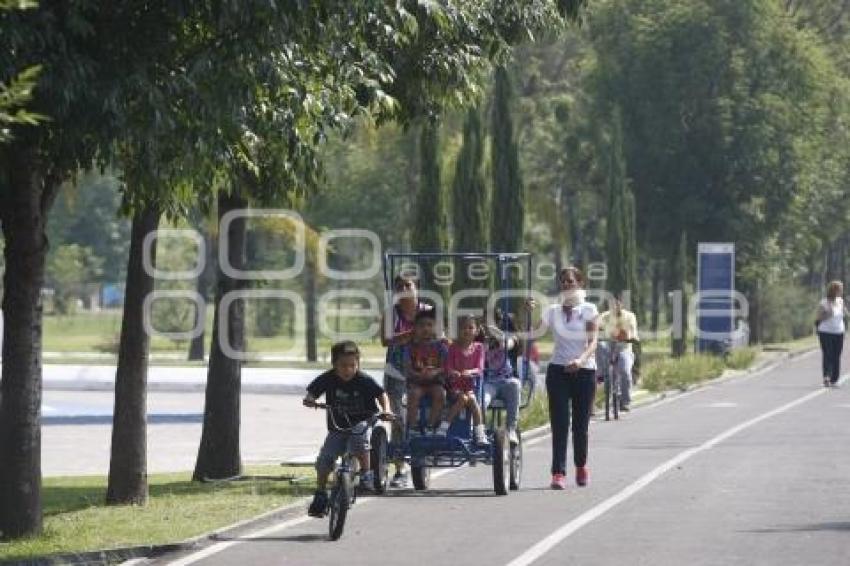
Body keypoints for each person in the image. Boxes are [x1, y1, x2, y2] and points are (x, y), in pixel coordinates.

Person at [525, 266, 598, 490]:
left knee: (580, 425)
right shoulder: (553, 311)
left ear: (580, 284)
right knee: (559, 423)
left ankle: (581, 465)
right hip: (558, 371)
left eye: (571, 281)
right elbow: (533, 335)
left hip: (584, 371)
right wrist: (528, 314)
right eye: (563, 282)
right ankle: (558, 472)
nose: (567, 285)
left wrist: (581, 361)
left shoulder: (589, 308)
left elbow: (593, 342)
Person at [304, 341, 393, 517]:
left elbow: (381, 394)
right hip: (337, 427)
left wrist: (386, 410)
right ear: (334, 364)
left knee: (359, 439)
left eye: (353, 365)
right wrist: (310, 399)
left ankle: (366, 474)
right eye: (343, 366)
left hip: (363, 420)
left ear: (358, 364)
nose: (348, 370)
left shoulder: (364, 379)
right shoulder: (328, 378)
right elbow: (313, 392)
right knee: (324, 460)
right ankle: (321, 493)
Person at [381, 274, 431, 487]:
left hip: (423, 370)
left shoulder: (427, 311)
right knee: (398, 420)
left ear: (417, 288)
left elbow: (436, 335)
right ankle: (400, 470)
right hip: (397, 371)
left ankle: (421, 455)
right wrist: (411, 334)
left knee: (420, 416)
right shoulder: (391, 313)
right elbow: (385, 340)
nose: (404, 288)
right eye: (399, 286)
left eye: (408, 285)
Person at [438, 315, 489, 445]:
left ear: (476, 331)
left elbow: (480, 368)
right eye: (463, 328)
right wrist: (453, 372)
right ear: (458, 330)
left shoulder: (479, 348)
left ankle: (479, 432)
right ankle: (443, 428)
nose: (466, 330)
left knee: (471, 399)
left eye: (470, 327)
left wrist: (470, 372)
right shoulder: (453, 348)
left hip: (470, 386)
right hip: (454, 387)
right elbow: (447, 366)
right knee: (463, 398)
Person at [402, 310, 448, 436]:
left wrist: (435, 373)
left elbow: (446, 366)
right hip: (417, 382)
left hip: (435, 382)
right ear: (415, 328)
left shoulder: (441, 346)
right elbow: (407, 368)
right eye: (421, 325)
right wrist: (417, 375)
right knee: (414, 394)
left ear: (435, 327)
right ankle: (412, 427)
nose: (425, 328)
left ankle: (431, 426)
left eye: (429, 325)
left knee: (440, 394)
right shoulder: (410, 346)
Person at [597, 293, 639, 411]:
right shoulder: (604, 316)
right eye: (611, 304)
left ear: (621, 304)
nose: (614, 306)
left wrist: (631, 337)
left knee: (625, 371)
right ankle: (600, 373)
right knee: (599, 346)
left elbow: (632, 331)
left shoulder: (629, 316)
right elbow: (596, 329)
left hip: (624, 348)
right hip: (608, 347)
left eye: (617, 303)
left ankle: (625, 401)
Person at [481, 324, 522, 445]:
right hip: (489, 382)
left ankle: (511, 428)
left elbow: (507, 345)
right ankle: (480, 429)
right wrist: (486, 342)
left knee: (515, 385)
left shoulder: (509, 338)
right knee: (483, 399)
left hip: (506, 381)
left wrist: (500, 338)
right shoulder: (481, 342)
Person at [816, 280, 848, 388]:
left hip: (839, 331)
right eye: (840, 289)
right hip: (826, 332)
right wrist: (827, 314)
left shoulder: (840, 301)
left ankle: (835, 379)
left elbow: (845, 313)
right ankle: (826, 377)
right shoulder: (824, 302)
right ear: (834, 290)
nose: (841, 291)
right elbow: (818, 317)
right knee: (828, 354)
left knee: (836, 355)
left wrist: (845, 312)